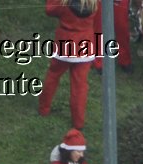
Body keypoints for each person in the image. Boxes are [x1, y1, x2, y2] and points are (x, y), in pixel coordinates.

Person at [36, 0, 98, 128]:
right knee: (80, 86)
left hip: (64, 42)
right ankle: (78, 122)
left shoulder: (64, 3)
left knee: (53, 75)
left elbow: (50, 10)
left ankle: (44, 108)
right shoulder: (95, 3)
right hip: (85, 45)